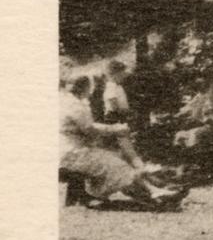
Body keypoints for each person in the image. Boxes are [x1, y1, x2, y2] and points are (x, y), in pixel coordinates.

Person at [60, 76, 187, 207]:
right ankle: (153, 192)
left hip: (69, 151)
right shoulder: (76, 105)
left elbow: (86, 128)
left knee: (115, 159)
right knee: (118, 165)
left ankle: (154, 189)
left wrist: (111, 130)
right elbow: (89, 129)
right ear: (86, 88)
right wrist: (114, 129)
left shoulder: (65, 101)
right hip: (74, 154)